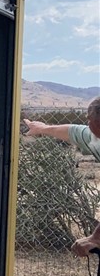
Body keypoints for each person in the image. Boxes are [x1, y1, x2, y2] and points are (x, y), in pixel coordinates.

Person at [23, 95, 100, 256]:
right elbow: (74, 132)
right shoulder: (96, 140)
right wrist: (42, 128)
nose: (87, 123)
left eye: (89, 119)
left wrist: (95, 238)